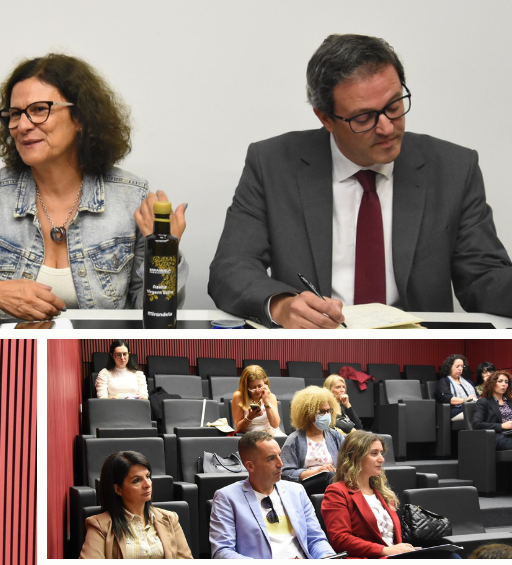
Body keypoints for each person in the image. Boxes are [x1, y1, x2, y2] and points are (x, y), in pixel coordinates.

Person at [207, 34, 512, 328]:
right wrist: (282, 305)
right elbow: (231, 269)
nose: (387, 127)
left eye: (394, 106)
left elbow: (483, 276)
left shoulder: (453, 168)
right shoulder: (273, 164)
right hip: (315, 349)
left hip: (417, 356)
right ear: (325, 118)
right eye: (364, 118)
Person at [0, 53, 187, 320]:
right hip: (10, 358)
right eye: (15, 113)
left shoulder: (131, 197)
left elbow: (152, 318)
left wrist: (163, 259)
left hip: (99, 359)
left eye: (39, 110)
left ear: (80, 118)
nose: (22, 125)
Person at [209, 431, 335, 559]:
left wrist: (327, 557)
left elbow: (316, 539)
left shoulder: (296, 491)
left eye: (279, 456)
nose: (281, 464)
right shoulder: (226, 497)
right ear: (250, 466)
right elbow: (222, 552)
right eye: (271, 458)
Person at [81, 451, 192, 559]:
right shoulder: (100, 526)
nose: (147, 484)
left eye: (148, 476)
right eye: (136, 480)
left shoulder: (169, 518)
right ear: (118, 489)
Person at [321, 431, 416, 557]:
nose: (381, 459)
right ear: (355, 457)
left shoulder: (383, 492)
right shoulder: (337, 492)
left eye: (381, 453)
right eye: (374, 453)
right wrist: (385, 551)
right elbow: (340, 539)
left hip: (393, 558)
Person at [280, 386, 343, 494]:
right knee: (328, 476)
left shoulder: (336, 436)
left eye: (328, 411)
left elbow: (350, 464)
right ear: (307, 414)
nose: (326, 415)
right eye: (321, 412)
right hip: (306, 486)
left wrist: (338, 471)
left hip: (335, 480)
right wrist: (316, 472)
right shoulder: (294, 440)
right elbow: (285, 473)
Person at [232, 366, 283, 436]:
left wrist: (266, 402)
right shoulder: (238, 396)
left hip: (271, 431)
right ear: (246, 386)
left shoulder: (271, 396)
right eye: (253, 387)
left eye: (260, 386)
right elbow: (239, 428)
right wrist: (250, 417)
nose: (257, 390)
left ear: (265, 383)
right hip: (252, 434)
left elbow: (275, 424)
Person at [472, 369, 512, 450]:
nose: (504, 384)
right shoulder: (483, 402)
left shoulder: (510, 401)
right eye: (500, 381)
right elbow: (477, 424)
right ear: (492, 384)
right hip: (499, 436)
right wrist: (501, 426)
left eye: (506, 382)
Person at [436, 355, 477, 419]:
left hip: (473, 408)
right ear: (449, 367)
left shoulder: (468, 382)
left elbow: (477, 396)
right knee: (479, 415)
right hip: (456, 410)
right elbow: (446, 398)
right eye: (457, 366)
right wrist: (465, 400)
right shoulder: (444, 381)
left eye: (462, 366)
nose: (460, 369)